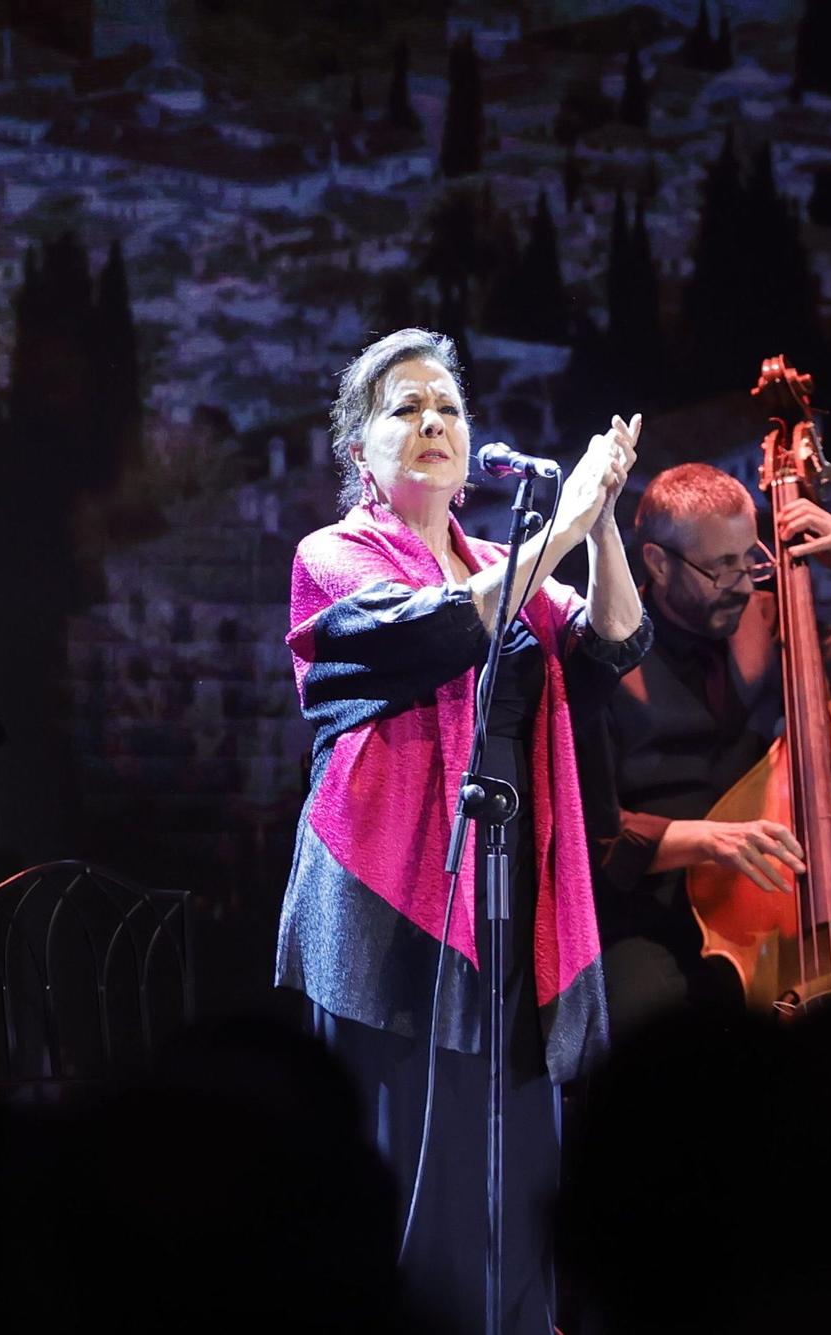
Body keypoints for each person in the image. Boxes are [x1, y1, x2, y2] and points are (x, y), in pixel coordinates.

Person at [274, 328, 651, 1331]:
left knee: (514, 1153)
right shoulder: (335, 555)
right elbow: (446, 627)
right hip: (387, 897)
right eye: (404, 408)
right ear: (361, 452)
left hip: (513, 888)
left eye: (447, 406)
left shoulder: (505, 557)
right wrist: (561, 528)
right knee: (406, 1154)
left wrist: (601, 519)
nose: (433, 423)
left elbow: (616, 643)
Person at [575, 463, 831, 1035]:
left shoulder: (772, 619)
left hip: (763, 901)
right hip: (651, 908)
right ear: (657, 562)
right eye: (721, 568)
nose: (746, 583)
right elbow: (587, 830)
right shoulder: (601, 650)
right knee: (652, 1035)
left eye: (751, 557)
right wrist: (706, 839)